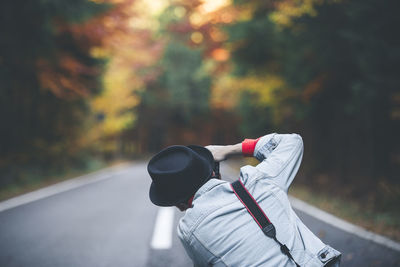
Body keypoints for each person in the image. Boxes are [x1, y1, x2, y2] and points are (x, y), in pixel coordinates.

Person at [147, 133, 341, 266]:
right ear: (212, 172)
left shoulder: (188, 230)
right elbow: (292, 141)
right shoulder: (258, 181)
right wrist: (229, 150)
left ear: (178, 203)